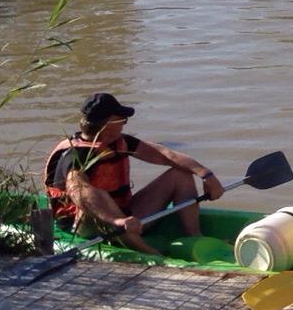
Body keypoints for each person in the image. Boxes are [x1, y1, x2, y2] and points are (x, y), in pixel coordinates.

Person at [42, 92, 223, 253]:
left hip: (126, 219)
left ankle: (194, 235)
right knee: (99, 195)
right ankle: (149, 253)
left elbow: (165, 154)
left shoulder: (121, 142)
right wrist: (117, 221)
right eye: (122, 120)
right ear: (108, 124)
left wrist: (206, 174)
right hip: (85, 226)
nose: (124, 125)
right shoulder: (74, 154)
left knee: (180, 174)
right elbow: (78, 190)